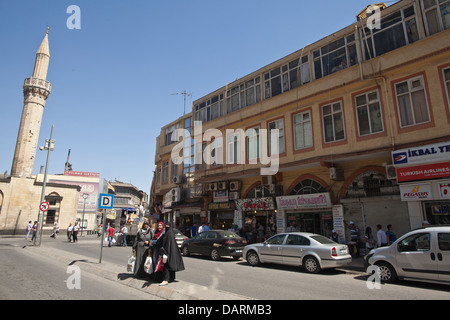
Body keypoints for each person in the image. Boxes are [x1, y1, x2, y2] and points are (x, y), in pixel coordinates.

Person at [158, 221, 185, 286]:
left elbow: (169, 244)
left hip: (169, 252)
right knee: (170, 264)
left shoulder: (170, 234)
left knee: (167, 265)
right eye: (166, 225)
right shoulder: (168, 233)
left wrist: (165, 251)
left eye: (168, 225)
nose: (167, 226)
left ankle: (166, 280)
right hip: (170, 251)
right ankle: (171, 278)